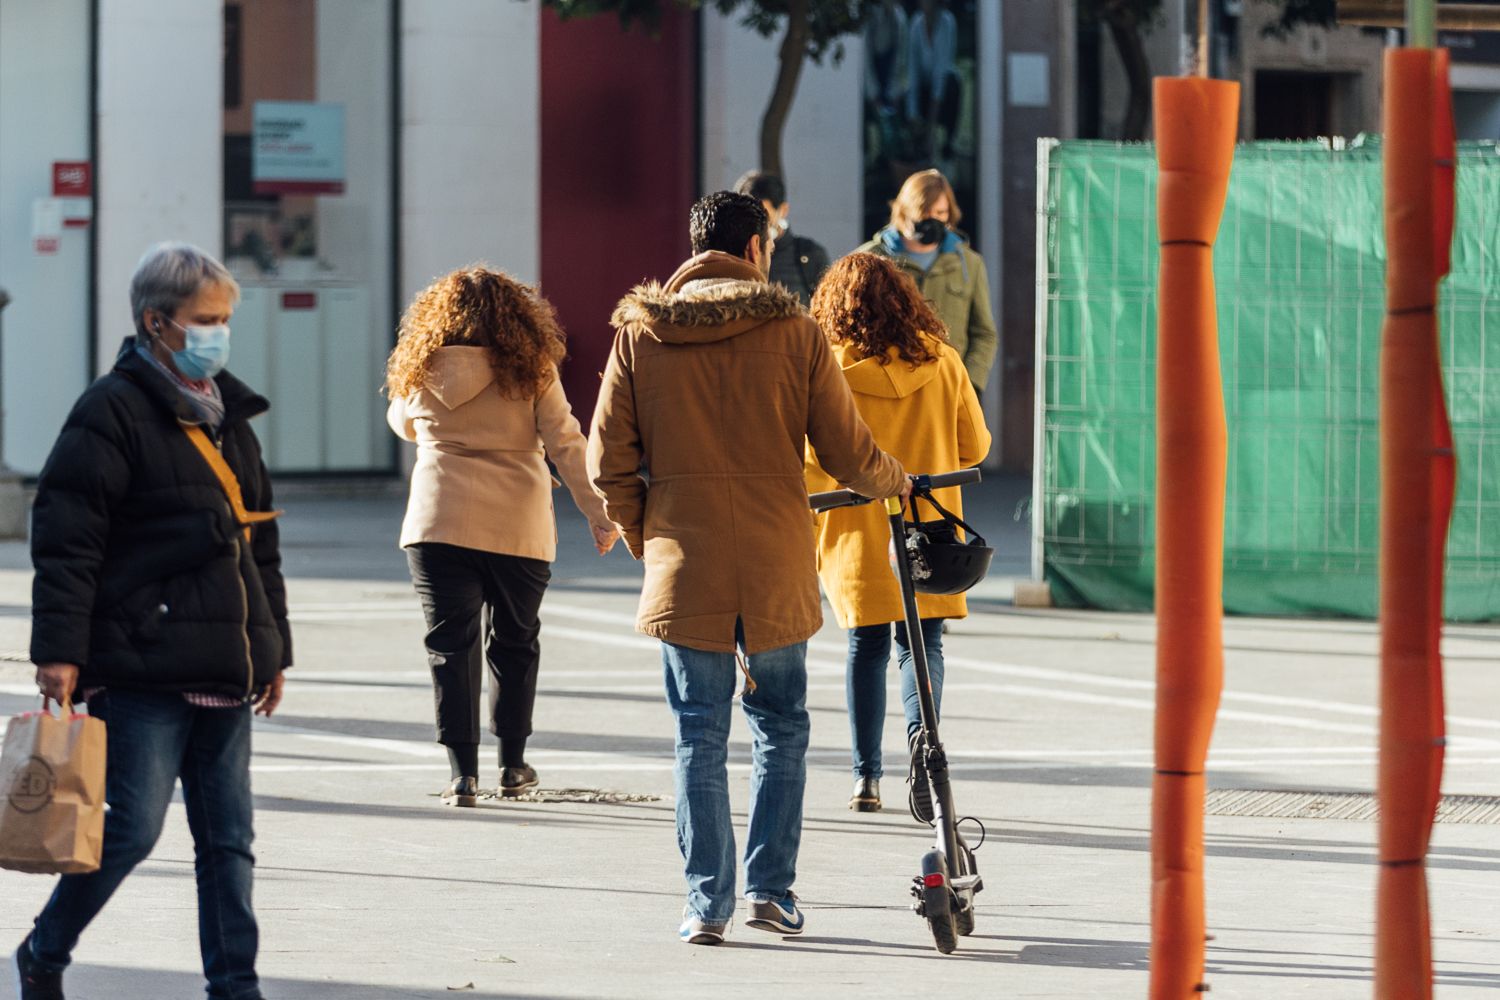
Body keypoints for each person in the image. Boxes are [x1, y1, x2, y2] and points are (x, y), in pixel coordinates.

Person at [587, 191, 908, 945]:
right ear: (758, 249)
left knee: (698, 734)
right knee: (781, 728)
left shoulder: (640, 333)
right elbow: (847, 453)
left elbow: (607, 463)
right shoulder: (794, 331)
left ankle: (707, 905)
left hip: (683, 561)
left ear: (695, 248)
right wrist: (898, 480)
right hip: (774, 561)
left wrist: (647, 536)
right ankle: (771, 891)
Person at [17, 242, 291, 1000]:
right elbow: (68, 538)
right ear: (156, 322)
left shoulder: (229, 413)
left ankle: (236, 987)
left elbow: (257, 542)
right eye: (205, 319)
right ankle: (45, 947)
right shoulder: (110, 409)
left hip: (225, 670)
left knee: (229, 845)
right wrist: (61, 651)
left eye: (226, 319)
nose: (218, 332)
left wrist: (273, 649)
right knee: (130, 830)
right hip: (141, 664)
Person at [386, 265, 618, 807]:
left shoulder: (422, 363)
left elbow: (403, 421)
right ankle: (512, 764)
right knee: (514, 641)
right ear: (516, 315)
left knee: (450, 645)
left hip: (437, 519)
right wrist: (599, 514)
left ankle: (462, 773)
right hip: (517, 522)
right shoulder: (531, 367)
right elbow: (565, 442)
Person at [803, 253, 991, 815]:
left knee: (865, 647)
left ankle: (866, 778)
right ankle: (922, 738)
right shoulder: (945, 361)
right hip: (928, 527)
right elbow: (975, 447)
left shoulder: (828, 371)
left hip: (856, 530)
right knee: (923, 642)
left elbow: (812, 458)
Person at [857, 168, 998, 398]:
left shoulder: (969, 263)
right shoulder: (870, 260)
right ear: (905, 212)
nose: (933, 220)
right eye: (925, 212)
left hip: (948, 389)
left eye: (941, 213)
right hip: (890, 389)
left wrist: (971, 383)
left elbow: (984, 333)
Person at [733, 170, 830, 308]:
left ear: (783, 210)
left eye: (764, 214)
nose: (756, 223)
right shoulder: (733, 254)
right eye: (747, 215)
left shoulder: (811, 255)